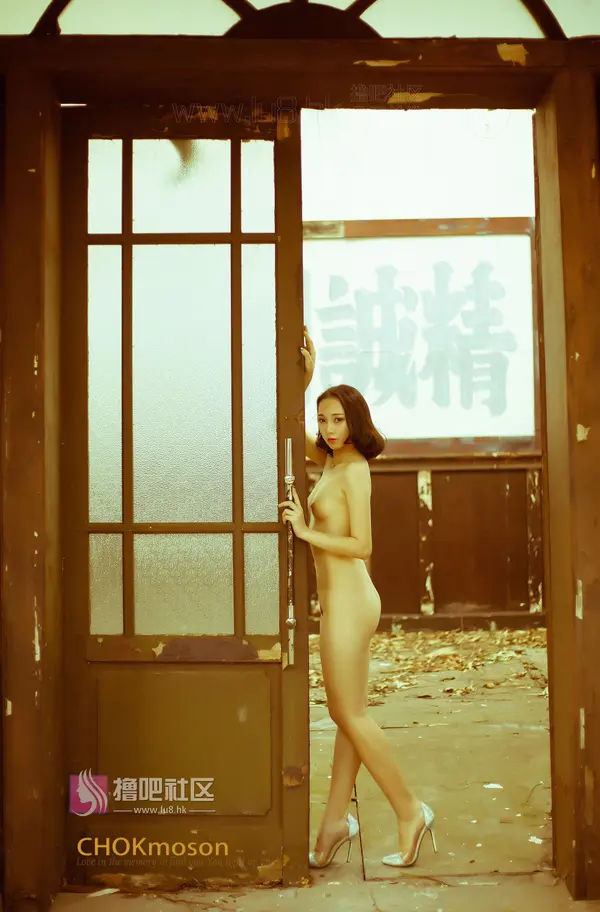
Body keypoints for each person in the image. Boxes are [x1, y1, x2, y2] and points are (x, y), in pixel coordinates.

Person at [278, 326, 438, 870]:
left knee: (346, 713)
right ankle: (333, 827)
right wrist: (304, 379)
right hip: (345, 603)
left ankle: (410, 810)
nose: (327, 429)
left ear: (356, 422)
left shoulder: (354, 469)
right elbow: (290, 428)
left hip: (350, 603)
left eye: (337, 420)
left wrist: (306, 532)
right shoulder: (331, 458)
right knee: (351, 716)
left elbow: (362, 544)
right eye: (323, 419)